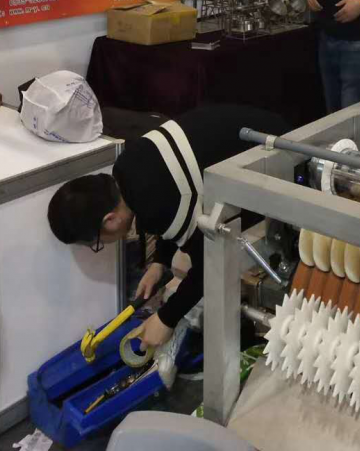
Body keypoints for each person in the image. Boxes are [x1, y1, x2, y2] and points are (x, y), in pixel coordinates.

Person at [47, 104, 290, 350]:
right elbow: (177, 201)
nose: (106, 244)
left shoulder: (153, 205)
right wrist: (159, 263)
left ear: (109, 220)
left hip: (282, 152)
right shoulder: (127, 166)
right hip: (260, 126)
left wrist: (166, 318)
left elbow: (210, 264)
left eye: (98, 242)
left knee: (232, 245)